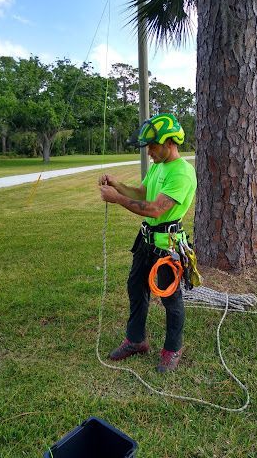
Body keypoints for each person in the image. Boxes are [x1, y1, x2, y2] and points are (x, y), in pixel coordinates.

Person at [99, 113, 197, 373]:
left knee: (170, 299)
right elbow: (142, 193)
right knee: (136, 288)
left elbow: (155, 209)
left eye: (153, 146)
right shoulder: (158, 166)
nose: (149, 152)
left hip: (168, 246)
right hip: (146, 241)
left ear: (169, 142)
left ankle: (172, 349)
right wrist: (117, 186)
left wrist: (116, 199)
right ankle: (136, 340)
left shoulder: (182, 173)